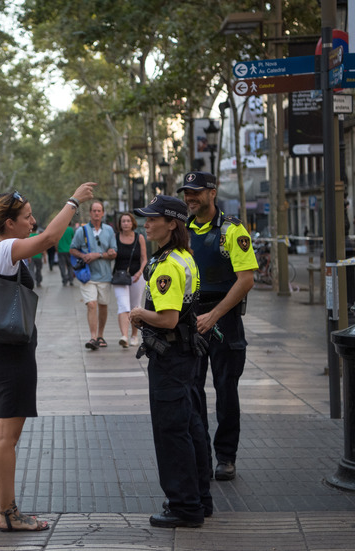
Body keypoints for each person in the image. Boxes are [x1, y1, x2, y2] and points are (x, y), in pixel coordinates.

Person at [0, 182, 97, 532]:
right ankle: (11, 514)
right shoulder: (7, 249)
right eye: (27, 217)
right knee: (6, 438)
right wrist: (73, 201)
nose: (33, 222)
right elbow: (47, 241)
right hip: (13, 355)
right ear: (10, 223)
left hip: (0, 351)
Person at [129, 194, 211, 528]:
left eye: (152, 219)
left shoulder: (166, 266)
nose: (145, 223)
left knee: (171, 431)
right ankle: (200, 498)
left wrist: (138, 314)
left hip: (171, 357)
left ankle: (184, 506)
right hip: (185, 355)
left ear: (171, 224)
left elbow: (168, 318)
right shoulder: (184, 257)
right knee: (191, 426)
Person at [177, 172, 257, 482]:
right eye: (187, 192)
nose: (190, 198)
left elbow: (246, 280)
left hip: (224, 319)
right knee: (192, 389)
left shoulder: (232, 230)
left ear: (213, 192)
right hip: (191, 318)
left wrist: (215, 315)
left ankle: (226, 457)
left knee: (226, 390)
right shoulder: (182, 230)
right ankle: (200, 455)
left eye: (196, 192)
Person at [70, 201, 117, 350]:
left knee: (103, 306)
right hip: (88, 276)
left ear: (102, 213)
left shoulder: (109, 230)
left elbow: (113, 253)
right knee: (91, 304)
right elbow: (72, 249)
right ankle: (93, 337)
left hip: (104, 275)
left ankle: (100, 335)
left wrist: (98, 255)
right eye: (94, 211)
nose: (96, 213)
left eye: (99, 211)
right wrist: (84, 256)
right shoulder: (81, 231)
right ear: (90, 213)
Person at [112, 212, 148, 349]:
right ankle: (124, 336)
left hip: (137, 277)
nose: (125, 223)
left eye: (128, 221)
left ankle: (134, 335)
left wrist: (140, 273)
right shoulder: (115, 238)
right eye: (123, 221)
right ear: (120, 224)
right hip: (120, 277)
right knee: (123, 305)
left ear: (132, 223)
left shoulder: (139, 238)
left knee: (135, 306)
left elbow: (144, 258)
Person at [28, 223, 44, 288]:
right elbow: (42, 247)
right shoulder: (39, 236)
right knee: (38, 269)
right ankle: (38, 282)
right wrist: (45, 256)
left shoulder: (28, 236)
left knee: (31, 270)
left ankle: (32, 283)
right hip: (38, 256)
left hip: (31, 256)